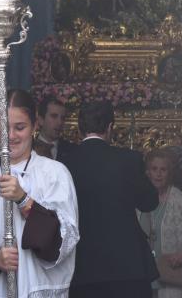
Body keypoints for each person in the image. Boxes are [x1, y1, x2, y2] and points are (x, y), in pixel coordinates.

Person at [0, 89, 79, 297]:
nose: (10, 136)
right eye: (3, 127)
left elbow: (65, 240)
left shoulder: (54, 174)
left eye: (20, 128)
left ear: (35, 126)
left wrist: (23, 200)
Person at [65, 101, 159, 298]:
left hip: (82, 268)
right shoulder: (129, 160)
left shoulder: (65, 162)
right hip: (128, 267)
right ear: (110, 128)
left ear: (80, 128)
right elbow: (149, 202)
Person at [138, 149, 182, 298]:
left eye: (163, 170)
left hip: (171, 276)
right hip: (143, 276)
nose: (158, 174)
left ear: (170, 173)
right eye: (154, 169)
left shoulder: (179, 200)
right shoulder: (138, 200)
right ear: (147, 172)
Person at [34, 96, 77, 164]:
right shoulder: (28, 149)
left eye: (62, 118)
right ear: (41, 120)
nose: (60, 122)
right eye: (54, 116)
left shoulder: (73, 151)